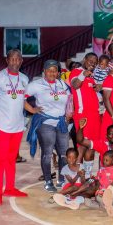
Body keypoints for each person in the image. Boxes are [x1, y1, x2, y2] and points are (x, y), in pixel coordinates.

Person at [25, 59, 70, 192]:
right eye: (49, 70)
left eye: (54, 70)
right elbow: (21, 97)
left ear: (57, 72)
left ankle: (61, 179)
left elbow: (69, 100)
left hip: (61, 122)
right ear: (44, 71)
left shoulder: (62, 84)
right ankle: (48, 181)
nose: (52, 72)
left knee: (64, 154)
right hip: (45, 122)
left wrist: (68, 114)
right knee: (47, 153)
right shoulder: (36, 84)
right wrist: (32, 110)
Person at [0, 49, 29, 205]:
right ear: (7, 60)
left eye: (18, 59)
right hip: (0, 126)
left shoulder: (25, 79)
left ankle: (10, 188)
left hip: (17, 126)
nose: (15, 62)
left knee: (10, 159)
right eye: (12, 59)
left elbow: (24, 101)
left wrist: (33, 110)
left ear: (21, 61)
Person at [69, 52, 101, 178]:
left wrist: (98, 88)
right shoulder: (77, 71)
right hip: (83, 115)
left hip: (95, 115)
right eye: (90, 60)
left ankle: (87, 175)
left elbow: (90, 95)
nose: (92, 63)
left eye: (95, 62)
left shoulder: (91, 77)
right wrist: (83, 74)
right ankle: (77, 176)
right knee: (82, 146)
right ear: (84, 59)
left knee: (91, 146)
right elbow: (75, 84)